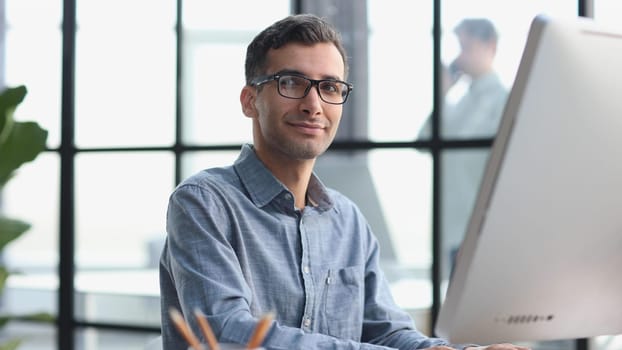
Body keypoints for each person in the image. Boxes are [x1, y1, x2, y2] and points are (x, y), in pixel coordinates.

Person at [159, 14, 528, 350]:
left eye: (331, 88)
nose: (313, 104)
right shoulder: (203, 203)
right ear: (249, 100)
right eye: (291, 82)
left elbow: (386, 331)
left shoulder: (349, 222)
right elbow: (228, 334)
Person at [417, 18, 509, 278]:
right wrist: (442, 93)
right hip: (452, 229)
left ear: (490, 46)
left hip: (482, 231)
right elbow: (424, 142)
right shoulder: (460, 104)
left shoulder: (504, 101)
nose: (459, 58)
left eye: (466, 47)